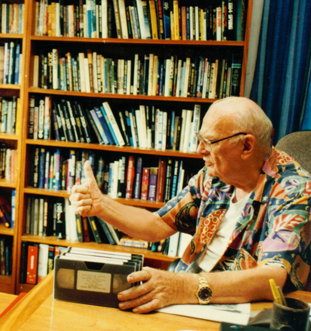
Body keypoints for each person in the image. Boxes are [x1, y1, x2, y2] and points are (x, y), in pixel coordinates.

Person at [70, 97, 311, 313]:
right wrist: (102, 206)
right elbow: (157, 225)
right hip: (187, 294)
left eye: (210, 141)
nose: (199, 150)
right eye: (199, 139)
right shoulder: (214, 176)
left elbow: (273, 277)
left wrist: (180, 287)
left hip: (238, 307)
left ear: (246, 146)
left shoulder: (296, 191)